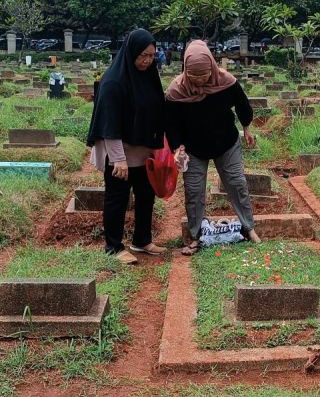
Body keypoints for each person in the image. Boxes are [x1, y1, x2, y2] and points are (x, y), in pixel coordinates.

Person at [164, 40, 261, 256]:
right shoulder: (176, 90)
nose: (199, 80)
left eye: (204, 74)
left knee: (237, 183)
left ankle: (249, 228)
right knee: (194, 190)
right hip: (192, 148)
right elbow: (170, 122)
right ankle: (195, 236)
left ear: (212, 67)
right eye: (193, 75)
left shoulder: (226, 81)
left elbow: (242, 104)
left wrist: (246, 128)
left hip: (226, 143)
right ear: (185, 70)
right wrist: (176, 148)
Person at [86, 29, 166, 265]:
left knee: (146, 196)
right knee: (117, 199)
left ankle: (142, 240)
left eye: (151, 56)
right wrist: (118, 159)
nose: (147, 61)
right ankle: (113, 246)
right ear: (131, 53)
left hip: (143, 152)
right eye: (143, 55)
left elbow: (158, 113)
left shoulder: (150, 77)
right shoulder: (113, 82)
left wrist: (159, 147)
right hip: (119, 153)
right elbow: (109, 124)